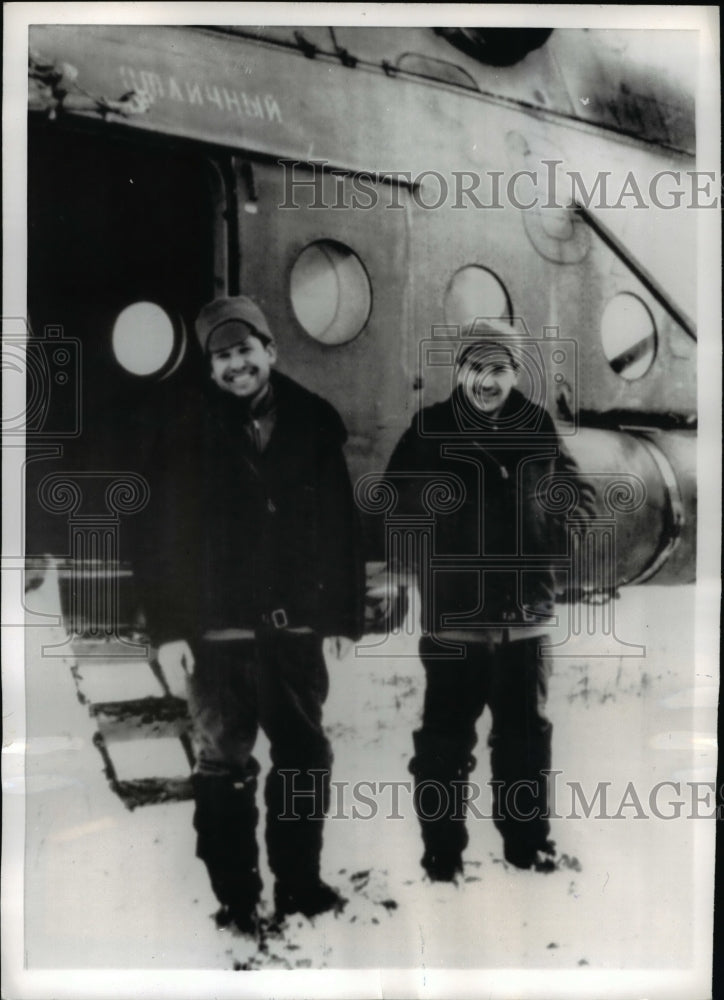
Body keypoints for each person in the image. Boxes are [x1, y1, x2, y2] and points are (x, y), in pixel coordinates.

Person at [135, 295, 364, 934]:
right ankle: (236, 898)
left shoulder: (315, 424)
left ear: (270, 350)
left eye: (246, 351)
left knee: (302, 759)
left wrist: (344, 618)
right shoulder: (181, 431)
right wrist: (168, 629)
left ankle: (299, 885)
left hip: (292, 635)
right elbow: (153, 537)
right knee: (223, 765)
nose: (238, 366)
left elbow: (341, 527)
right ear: (210, 369)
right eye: (224, 357)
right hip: (215, 640)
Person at [383, 319, 595, 881]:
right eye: (476, 367)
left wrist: (554, 532)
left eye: (498, 368)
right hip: (456, 626)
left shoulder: (538, 426)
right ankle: (442, 857)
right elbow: (394, 508)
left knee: (525, 744)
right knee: (443, 748)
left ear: (515, 372)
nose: (487, 380)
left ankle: (528, 847)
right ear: (458, 370)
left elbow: (577, 498)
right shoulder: (429, 429)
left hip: (525, 624)